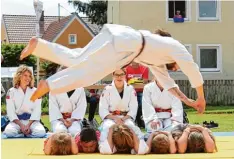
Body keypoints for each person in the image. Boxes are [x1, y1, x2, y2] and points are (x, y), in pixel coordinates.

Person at [20, 24, 206, 113]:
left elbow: (169, 84)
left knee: (77, 58)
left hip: (115, 34)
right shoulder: (175, 47)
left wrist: (189, 101)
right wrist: (201, 98)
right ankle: (50, 85)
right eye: (175, 67)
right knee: (89, 75)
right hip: (125, 46)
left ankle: (39, 46)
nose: (175, 68)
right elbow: (192, 68)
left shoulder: (157, 60)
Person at [98, 69, 144, 144]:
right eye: (117, 75)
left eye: (121, 74)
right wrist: (115, 118)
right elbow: (103, 109)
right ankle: (105, 147)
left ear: (125, 75)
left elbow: (133, 108)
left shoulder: (130, 89)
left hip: (126, 117)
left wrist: (123, 119)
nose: (119, 77)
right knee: (107, 128)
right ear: (113, 76)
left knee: (132, 128)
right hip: (111, 118)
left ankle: (136, 147)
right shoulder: (107, 89)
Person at [3, 65, 46, 138]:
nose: (28, 78)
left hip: (32, 121)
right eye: (25, 75)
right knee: (9, 132)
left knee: (40, 132)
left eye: (29, 76)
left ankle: (26, 132)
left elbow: (37, 110)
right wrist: (21, 126)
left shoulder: (35, 91)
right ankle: (23, 133)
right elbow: (10, 111)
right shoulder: (11, 91)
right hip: (17, 121)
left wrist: (28, 125)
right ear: (19, 76)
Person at [49, 66, 87, 137]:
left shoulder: (80, 89)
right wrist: (63, 120)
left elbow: (81, 106)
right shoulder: (54, 89)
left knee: (75, 132)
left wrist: (72, 120)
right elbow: (53, 108)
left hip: (74, 119)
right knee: (60, 132)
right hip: (59, 119)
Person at [126, 62, 149, 128]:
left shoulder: (144, 68)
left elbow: (145, 81)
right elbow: (125, 81)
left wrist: (131, 81)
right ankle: (133, 121)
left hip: (140, 91)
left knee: (141, 103)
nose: (134, 62)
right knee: (131, 104)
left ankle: (140, 122)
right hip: (129, 91)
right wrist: (138, 80)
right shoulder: (126, 68)